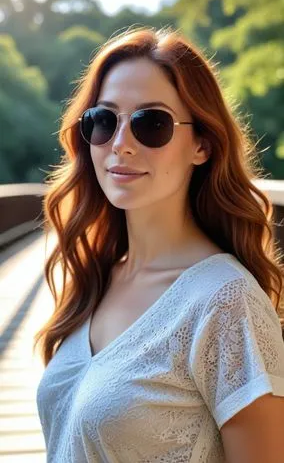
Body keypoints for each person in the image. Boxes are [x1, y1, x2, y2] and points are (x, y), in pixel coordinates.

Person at [35, 26, 284, 463]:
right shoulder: (98, 276)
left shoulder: (226, 302)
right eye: (103, 120)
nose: (121, 144)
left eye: (151, 123)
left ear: (202, 144)